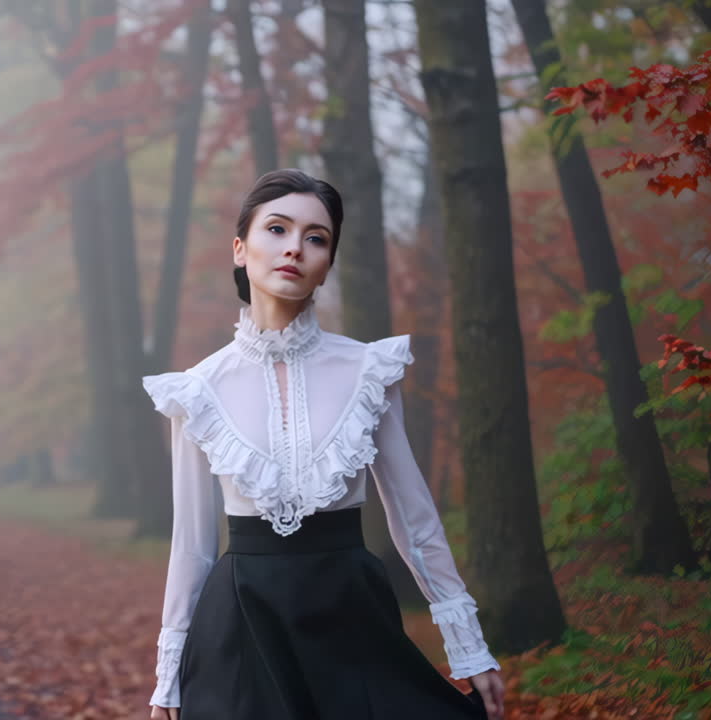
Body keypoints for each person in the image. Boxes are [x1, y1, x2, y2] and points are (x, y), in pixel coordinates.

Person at [141, 169, 506, 720]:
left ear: (327, 265)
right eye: (278, 229)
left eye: (316, 238)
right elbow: (191, 545)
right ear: (241, 249)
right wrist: (168, 675)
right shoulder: (198, 389)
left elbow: (413, 517)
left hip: (350, 614)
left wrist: (467, 645)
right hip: (242, 623)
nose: (295, 248)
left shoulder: (369, 371)